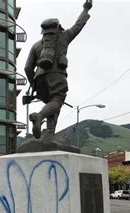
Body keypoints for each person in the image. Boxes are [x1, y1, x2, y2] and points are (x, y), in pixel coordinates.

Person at [24, 0, 93, 140]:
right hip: (57, 76)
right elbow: (78, 25)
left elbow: (27, 67)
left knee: (52, 105)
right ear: (58, 28)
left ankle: (49, 132)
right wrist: (86, 9)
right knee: (57, 100)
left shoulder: (36, 46)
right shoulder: (64, 37)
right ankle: (39, 117)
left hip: (39, 80)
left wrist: (34, 84)